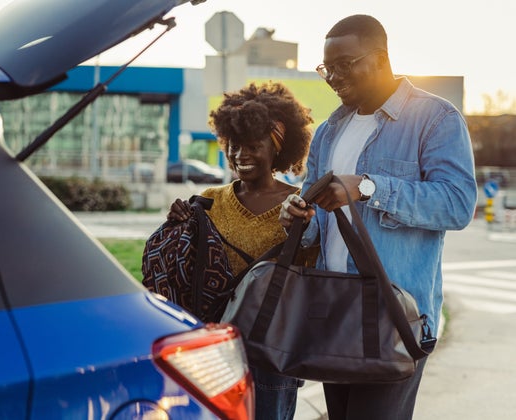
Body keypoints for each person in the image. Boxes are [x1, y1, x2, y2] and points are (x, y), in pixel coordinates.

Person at [279, 14, 477, 419]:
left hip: (394, 317)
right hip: (333, 310)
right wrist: (298, 214)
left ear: (382, 58)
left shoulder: (435, 118)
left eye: (345, 65)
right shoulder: (329, 131)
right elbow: (319, 219)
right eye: (327, 68)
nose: (333, 77)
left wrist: (368, 186)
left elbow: (457, 204)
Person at [167, 81, 318, 419]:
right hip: (216, 349)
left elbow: (309, 273)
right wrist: (179, 226)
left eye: (252, 145)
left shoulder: (299, 205)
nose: (239, 155)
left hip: (273, 354)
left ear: (278, 146)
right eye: (233, 145)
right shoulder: (211, 199)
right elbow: (189, 269)